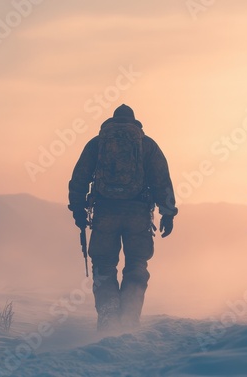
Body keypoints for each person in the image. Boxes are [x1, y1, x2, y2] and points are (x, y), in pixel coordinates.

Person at [68, 104, 178, 331]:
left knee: (104, 266)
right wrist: (167, 213)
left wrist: (78, 210)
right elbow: (162, 181)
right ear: (134, 122)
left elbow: (79, 179)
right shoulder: (146, 145)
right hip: (138, 214)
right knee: (136, 265)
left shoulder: (97, 144)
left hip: (104, 213)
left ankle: (108, 317)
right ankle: (129, 317)